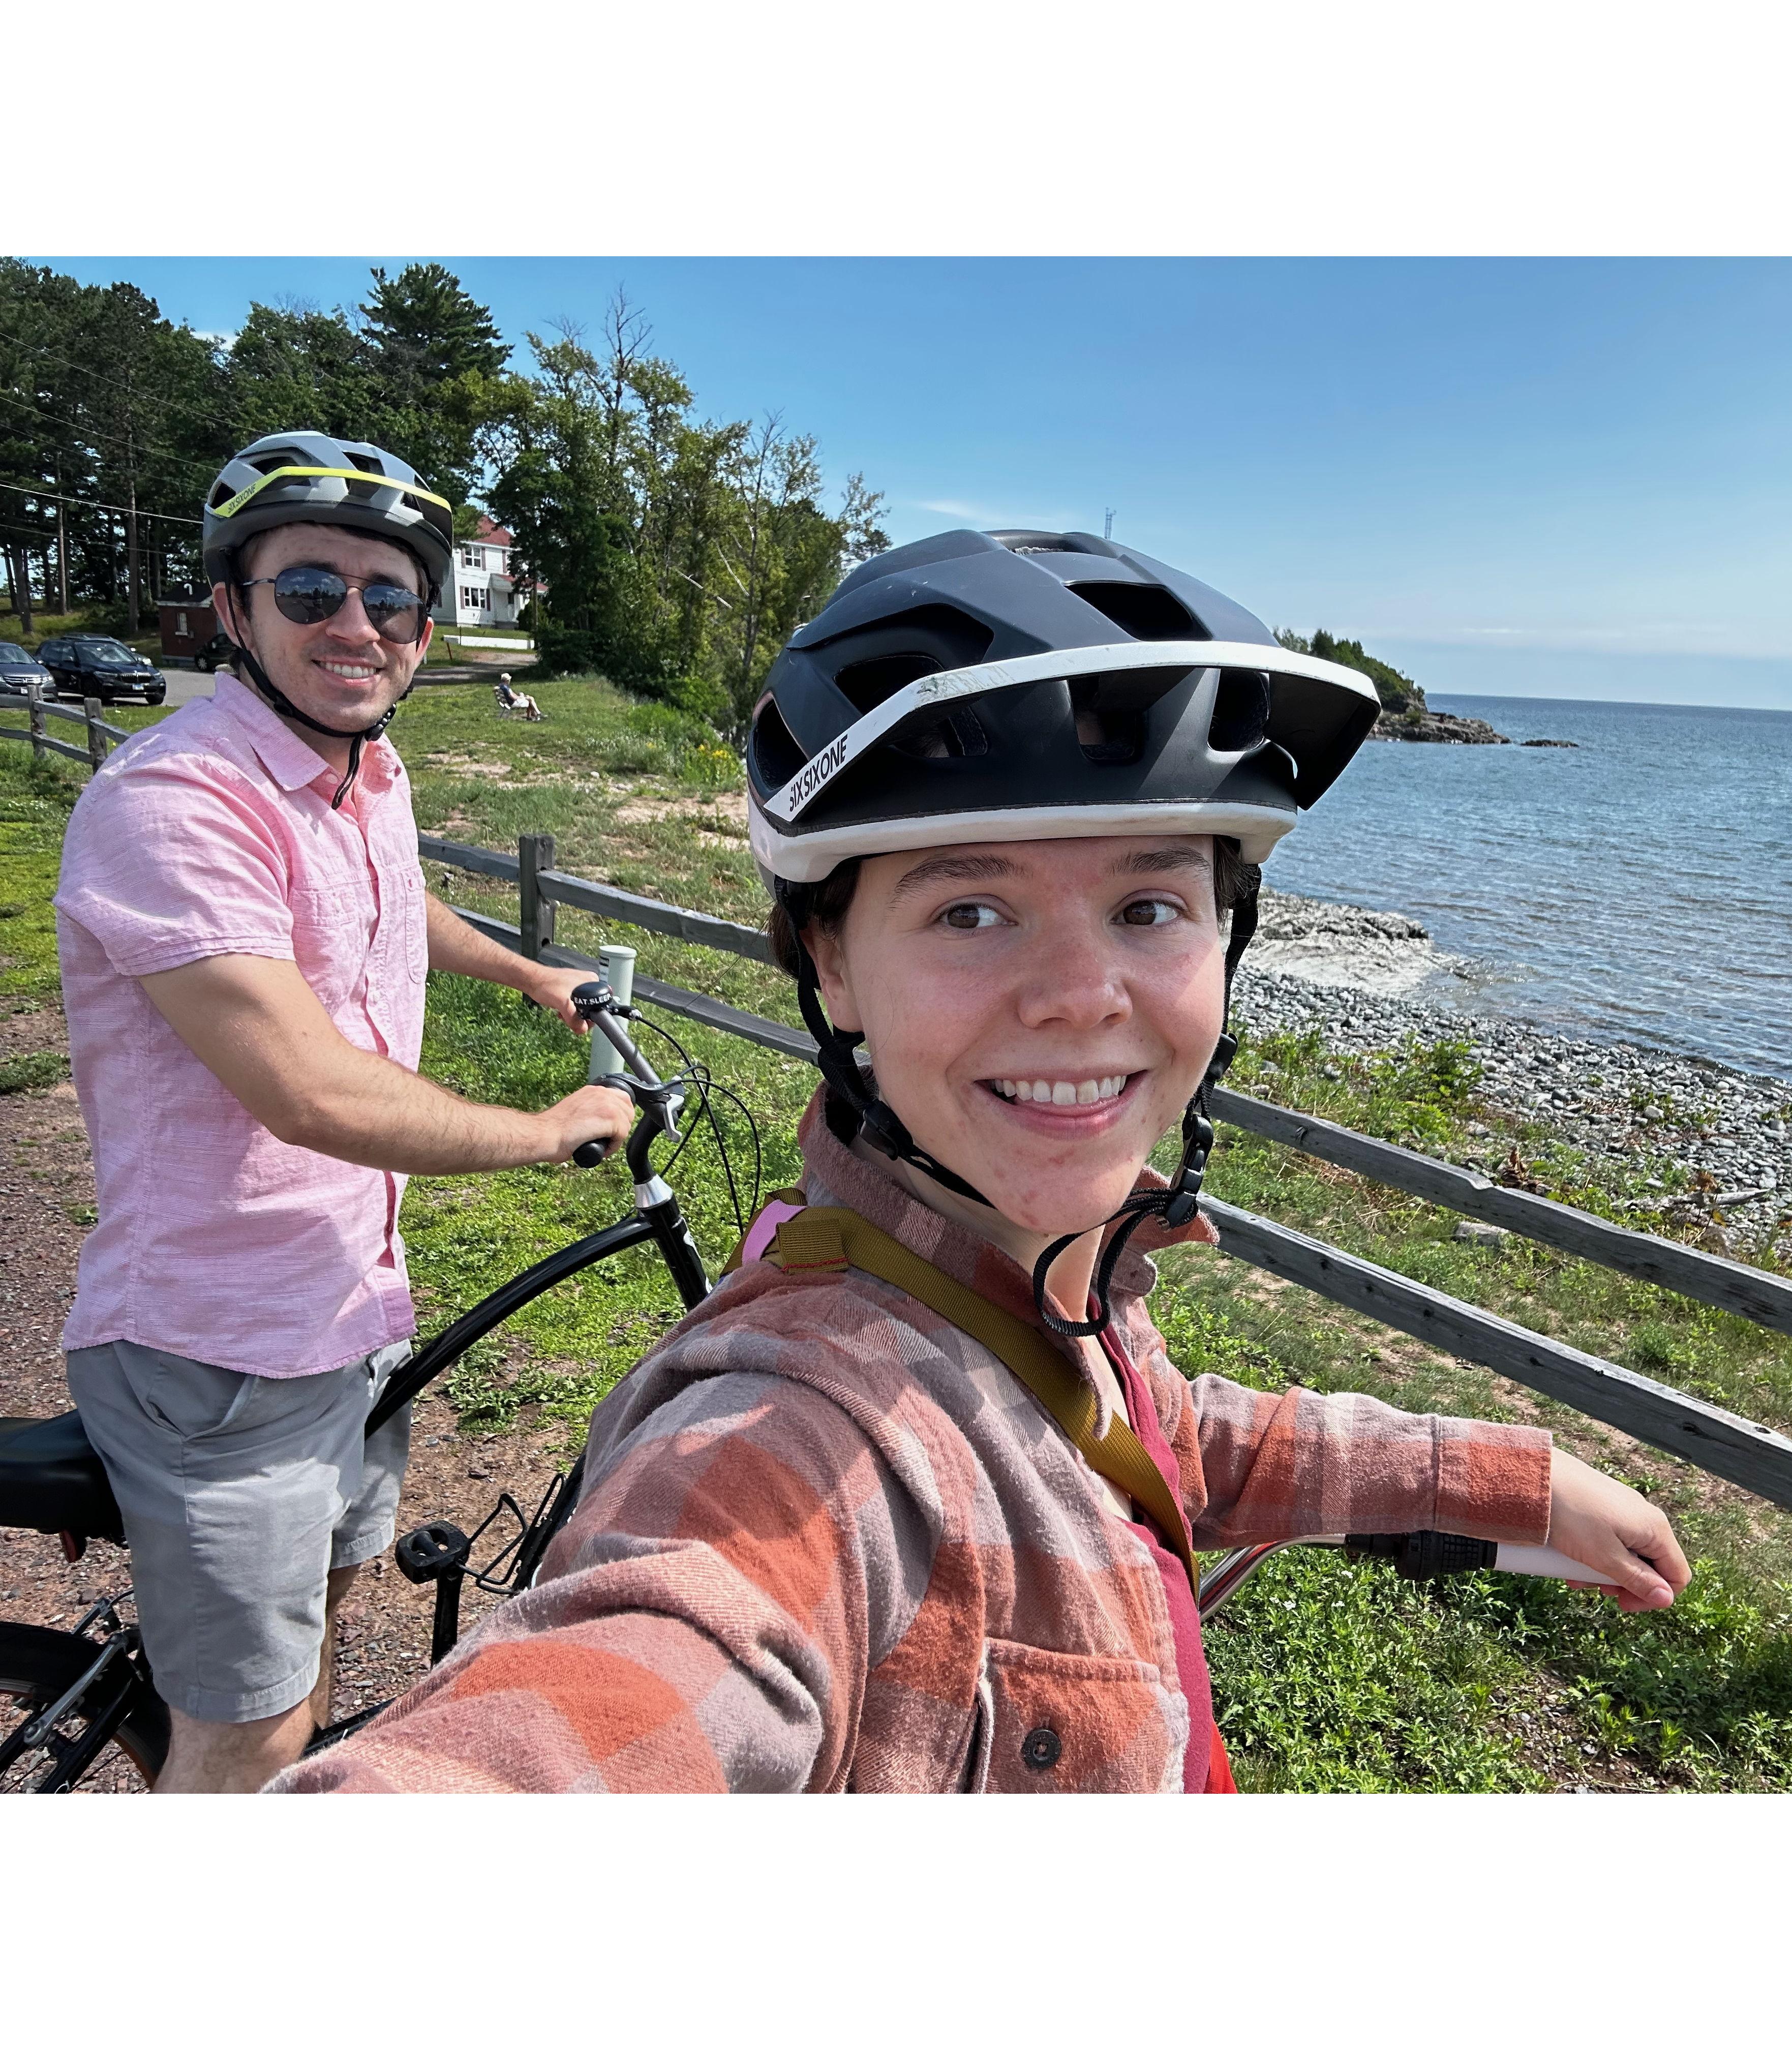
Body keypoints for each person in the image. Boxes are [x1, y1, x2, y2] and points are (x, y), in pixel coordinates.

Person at [275, 527, 1688, 1794]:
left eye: (1149, 903)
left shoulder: (1044, 1290)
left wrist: (1504, 1477)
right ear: (830, 965)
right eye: (970, 911)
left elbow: (1177, 1440)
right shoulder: (798, 1445)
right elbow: (613, 1699)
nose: (1082, 995)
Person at [53, 431, 633, 1793]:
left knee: (336, 1609)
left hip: (356, 1308)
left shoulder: (367, 772)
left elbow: (390, 896)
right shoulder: (175, 801)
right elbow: (303, 1088)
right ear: (234, 611)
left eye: (391, 599)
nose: (356, 624)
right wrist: (551, 1131)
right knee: (244, 1732)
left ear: (425, 633)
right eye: (312, 590)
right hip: (220, 1350)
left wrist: (529, 969)